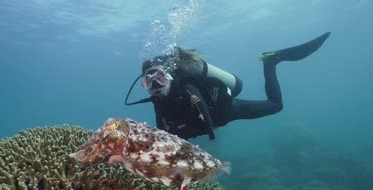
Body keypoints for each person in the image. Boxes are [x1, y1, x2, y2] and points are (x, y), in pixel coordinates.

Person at [125, 32, 331, 140]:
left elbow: (206, 125)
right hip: (218, 116)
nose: (155, 85)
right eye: (148, 82)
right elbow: (164, 133)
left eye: (159, 78)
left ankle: (271, 63)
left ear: (168, 76)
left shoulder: (188, 90)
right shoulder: (159, 101)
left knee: (276, 105)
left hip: (226, 109)